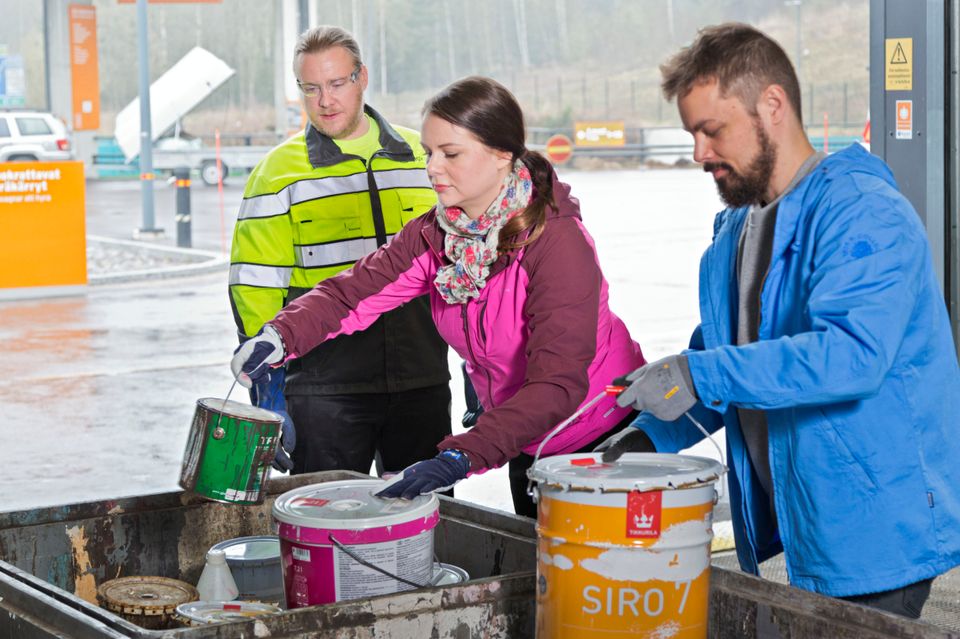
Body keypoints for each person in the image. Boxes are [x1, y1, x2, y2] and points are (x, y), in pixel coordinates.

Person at [596, 23, 960, 619]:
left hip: (874, 527)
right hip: (804, 512)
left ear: (772, 105)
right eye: (692, 133)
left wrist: (699, 373)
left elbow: (850, 356)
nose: (698, 153)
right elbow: (732, 359)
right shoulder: (735, 233)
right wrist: (650, 439)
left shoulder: (860, 212)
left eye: (712, 130)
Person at [231, 76, 646, 517]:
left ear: (502, 153)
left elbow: (557, 382)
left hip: (602, 438)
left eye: (450, 154)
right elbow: (355, 292)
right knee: (546, 572)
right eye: (429, 153)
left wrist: (460, 455)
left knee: (600, 580)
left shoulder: (556, 242)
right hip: (524, 437)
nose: (432, 168)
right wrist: (278, 336)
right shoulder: (438, 234)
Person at [228, 25, 451, 478]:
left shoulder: (420, 157)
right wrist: (268, 383)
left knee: (426, 522)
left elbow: (463, 259)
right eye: (311, 88)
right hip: (323, 391)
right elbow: (255, 284)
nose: (325, 101)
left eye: (336, 84)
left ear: (362, 78)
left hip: (421, 378)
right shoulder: (277, 174)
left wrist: (481, 365)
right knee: (323, 523)